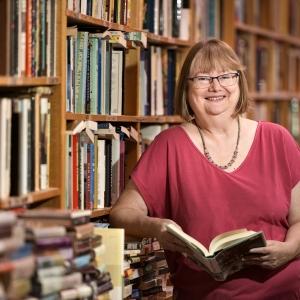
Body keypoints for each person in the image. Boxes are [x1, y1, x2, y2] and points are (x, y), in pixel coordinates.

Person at [109, 39, 300, 299]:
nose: (216, 86)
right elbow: (121, 214)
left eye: (226, 76)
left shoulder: (278, 139)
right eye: (202, 78)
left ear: (239, 82)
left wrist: (290, 249)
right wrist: (156, 227)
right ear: (186, 89)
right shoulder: (169, 145)